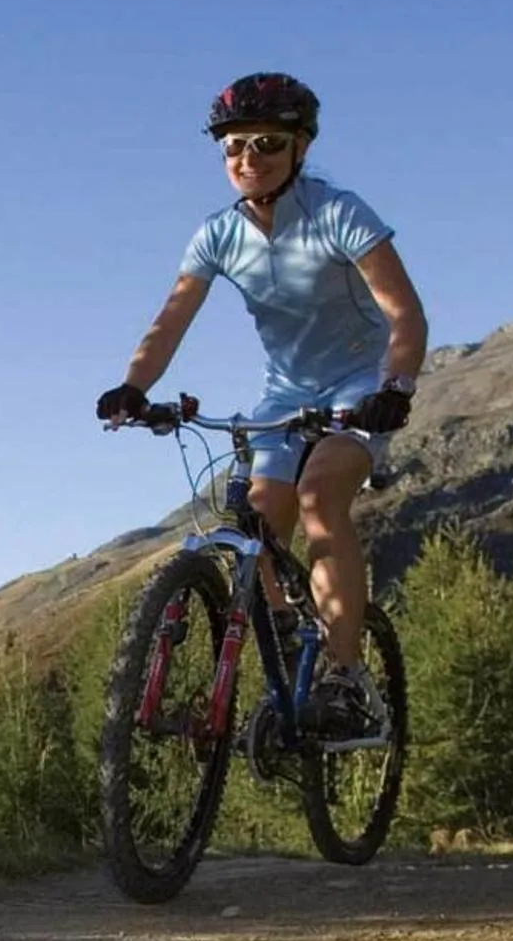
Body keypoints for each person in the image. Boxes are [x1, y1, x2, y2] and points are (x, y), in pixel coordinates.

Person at [97, 73, 426, 740]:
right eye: (234, 147)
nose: (249, 159)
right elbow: (170, 320)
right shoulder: (218, 234)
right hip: (284, 393)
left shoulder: (340, 213)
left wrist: (396, 389)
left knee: (319, 497)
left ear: (301, 146)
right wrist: (133, 386)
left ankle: (344, 679)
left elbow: (405, 313)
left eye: (268, 144)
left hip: (358, 386)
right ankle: (281, 637)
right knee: (256, 522)